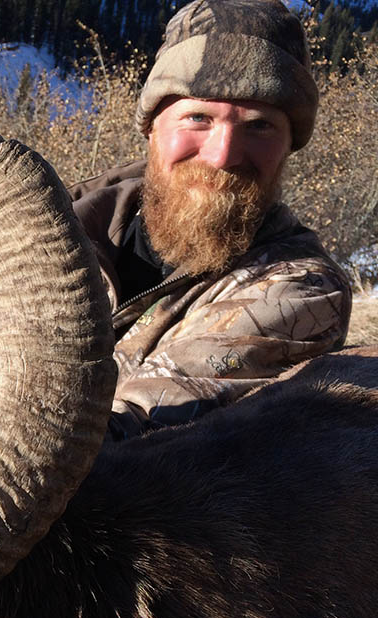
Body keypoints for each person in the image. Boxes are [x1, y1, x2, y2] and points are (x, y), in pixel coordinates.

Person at [69, 0, 352, 440]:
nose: (223, 155)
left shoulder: (300, 293)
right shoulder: (48, 229)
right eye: (198, 117)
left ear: (288, 146)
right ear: (151, 126)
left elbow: (124, 434)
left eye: (259, 126)